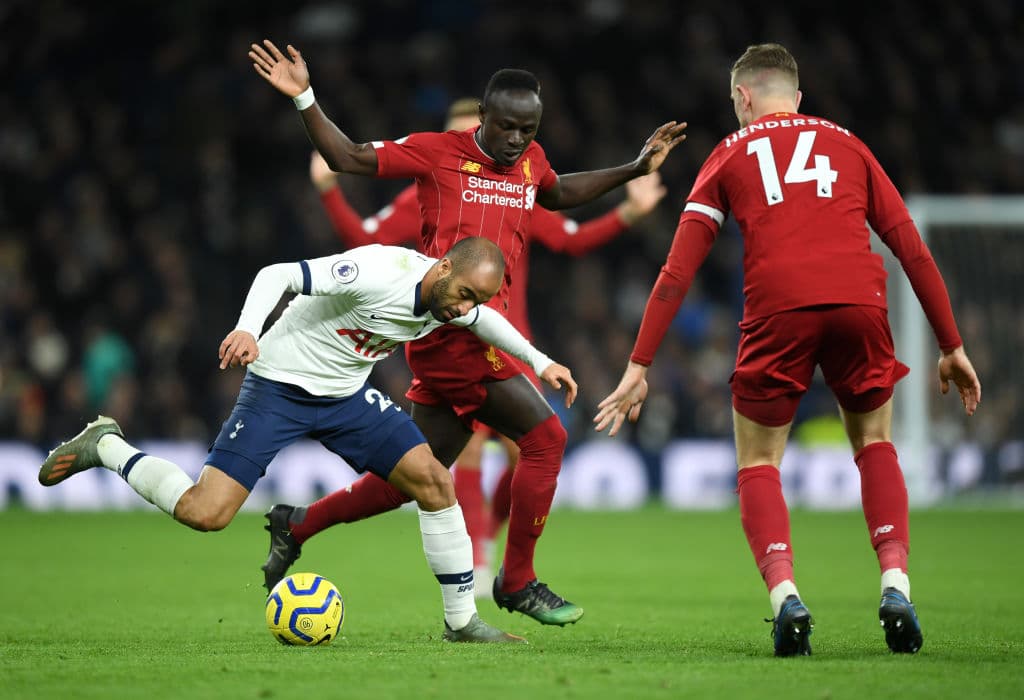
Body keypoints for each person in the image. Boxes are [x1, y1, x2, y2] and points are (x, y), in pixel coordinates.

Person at [249, 38, 686, 626]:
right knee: (546, 439)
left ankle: (299, 523)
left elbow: (557, 193)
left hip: (486, 333)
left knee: (418, 475)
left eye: (527, 129)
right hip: (451, 334)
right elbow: (348, 156)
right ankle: (516, 580)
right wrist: (304, 96)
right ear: (483, 117)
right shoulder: (436, 154)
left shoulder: (530, 163)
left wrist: (634, 168)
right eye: (505, 127)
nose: (515, 140)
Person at [593, 43, 981, 657]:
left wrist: (639, 365)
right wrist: (951, 344)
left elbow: (676, 272)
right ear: (796, 98)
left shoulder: (726, 154)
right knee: (874, 443)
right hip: (860, 301)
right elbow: (912, 248)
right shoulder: (849, 144)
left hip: (779, 308)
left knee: (760, 461)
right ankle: (896, 583)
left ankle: (785, 597)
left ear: (743, 98)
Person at [39, 238, 578, 644]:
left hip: (346, 397)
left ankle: (461, 623)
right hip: (279, 386)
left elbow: (487, 323)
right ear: (442, 267)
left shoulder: (455, 302)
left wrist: (542, 362)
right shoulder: (378, 271)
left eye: (474, 301)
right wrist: (249, 328)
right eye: (462, 294)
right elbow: (278, 274)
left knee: (435, 482)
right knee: (206, 512)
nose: (463, 309)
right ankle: (106, 445)